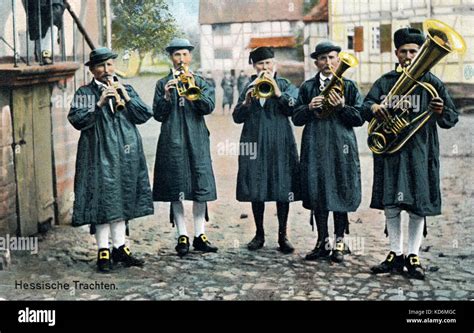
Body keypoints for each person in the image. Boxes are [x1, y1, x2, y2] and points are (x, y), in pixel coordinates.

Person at [363, 28, 458, 280]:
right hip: (392, 152)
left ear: (420, 54)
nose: (408, 56)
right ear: (396, 52)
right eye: (403, 51)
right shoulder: (385, 81)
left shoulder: (433, 83)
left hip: (421, 152)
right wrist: (374, 106)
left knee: (418, 204)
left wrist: (440, 110)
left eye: (413, 52)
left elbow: (452, 117)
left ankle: (413, 254)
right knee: (391, 203)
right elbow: (364, 107)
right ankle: (395, 252)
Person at [68, 47, 154, 273]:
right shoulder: (85, 93)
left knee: (123, 196)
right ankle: (103, 250)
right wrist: (99, 104)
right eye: (101, 66)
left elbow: (144, 115)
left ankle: (120, 248)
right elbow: (77, 120)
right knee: (103, 199)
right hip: (98, 152)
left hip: (126, 153)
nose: (106, 70)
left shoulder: (126, 88)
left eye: (109, 65)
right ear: (93, 70)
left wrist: (125, 96)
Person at [292, 41, 364, 263]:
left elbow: (360, 118)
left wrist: (342, 107)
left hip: (341, 147)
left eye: (332, 58)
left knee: (340, 190)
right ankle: (322, 242)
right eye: (322, 58)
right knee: (318, 191)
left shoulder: (349, 86)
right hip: (315, 146)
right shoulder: (306, 87)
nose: (328, 63)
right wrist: (308, 108)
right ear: (316, 63)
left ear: (338, 60)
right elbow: (296, 119)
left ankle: (340, 241)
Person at [152, 37, 218, 257]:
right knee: (175, 186)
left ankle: (200, 234)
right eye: (176, 55)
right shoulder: (162, 83)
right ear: (171, 58)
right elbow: (158, 114)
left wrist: (195, 91)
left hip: (197, 138)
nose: (181, 59)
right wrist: (167, 97)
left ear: (190, 57)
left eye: (184, 54)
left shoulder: (200, 81)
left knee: (201, 185)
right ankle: (182, 234)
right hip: (172, 139)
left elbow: (208, 107)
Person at [233, 47, 300, 254]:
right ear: (254, 66)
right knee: (256, 186)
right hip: (254, 141)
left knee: (283, 187)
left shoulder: (285, 84)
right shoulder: (249, 86)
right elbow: (237, 117)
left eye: (269, 63)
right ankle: (259, 233)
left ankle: (283, 235)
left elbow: (294, 108)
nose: (265, 68)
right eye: (261, 64)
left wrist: (278, 93)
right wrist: (245, 103)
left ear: (275, 64)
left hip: (280, 141)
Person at [25, 0, 65, 64]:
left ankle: (45, 55)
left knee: (52, 26)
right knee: (41, 29)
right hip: (39, 8)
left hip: (50, 8)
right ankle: (42, 55)